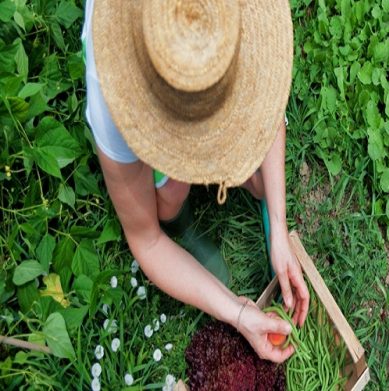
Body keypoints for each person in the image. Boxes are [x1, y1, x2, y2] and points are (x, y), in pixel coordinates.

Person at [82, 0, 309, 363]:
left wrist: (279, 229)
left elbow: (268, 101)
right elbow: (147, 240)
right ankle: (182, 219)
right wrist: (235, 311)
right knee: (170, 196)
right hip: (139, 99)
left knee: (263, 181)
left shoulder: (243, 19)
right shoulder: (112, 99)